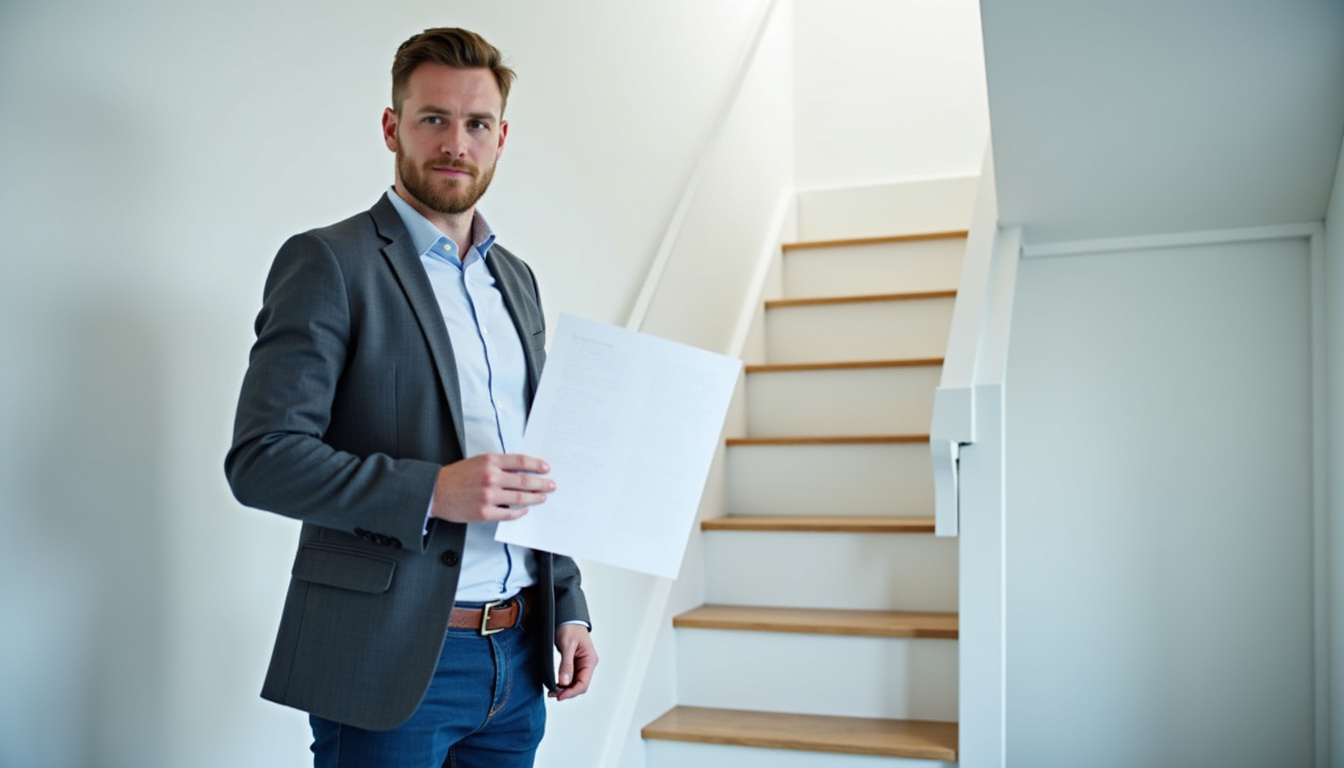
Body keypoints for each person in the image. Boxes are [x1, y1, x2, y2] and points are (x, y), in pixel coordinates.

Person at [225, 26, 597, 768]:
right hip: (386, 661)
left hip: (519, 659)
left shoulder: (516, 279)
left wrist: (569, 604)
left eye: (477, 123)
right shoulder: (329, 262)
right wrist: (433, 491)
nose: (456, 143)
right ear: (392, 127)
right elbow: (263, 459)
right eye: (434, 119)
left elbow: (535, 461)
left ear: (501, 139)